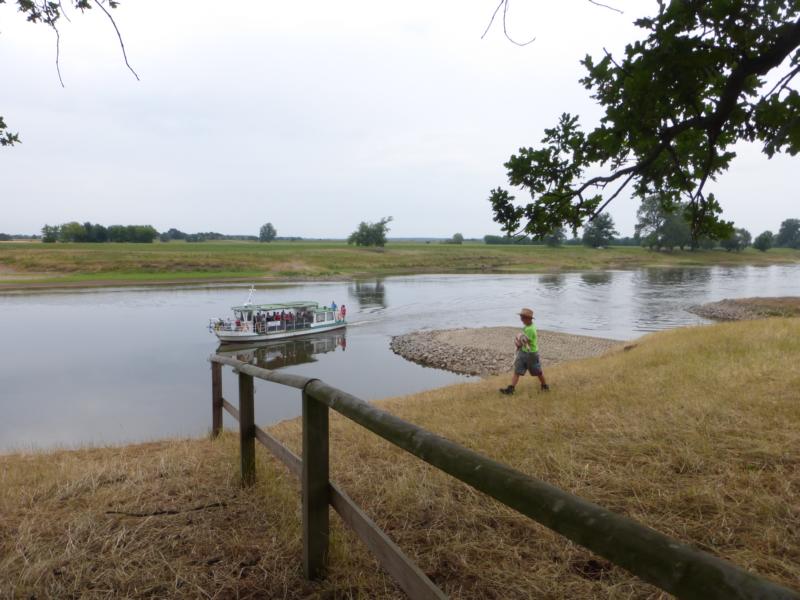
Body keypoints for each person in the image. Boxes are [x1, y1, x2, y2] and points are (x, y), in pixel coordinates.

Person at [500, 308, 549, 394]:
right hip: (527, 352)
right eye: (521, 317)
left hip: (529, 354)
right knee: (520, 371)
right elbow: (523, 339)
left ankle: (544, 386)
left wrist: (517, 341)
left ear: (528, 318)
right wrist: (519, 338)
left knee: (536, 371)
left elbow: (523, 343)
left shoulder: (530, 329)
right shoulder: (528, 326)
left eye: (522, 317)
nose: (521, 319)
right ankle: (511, 389)